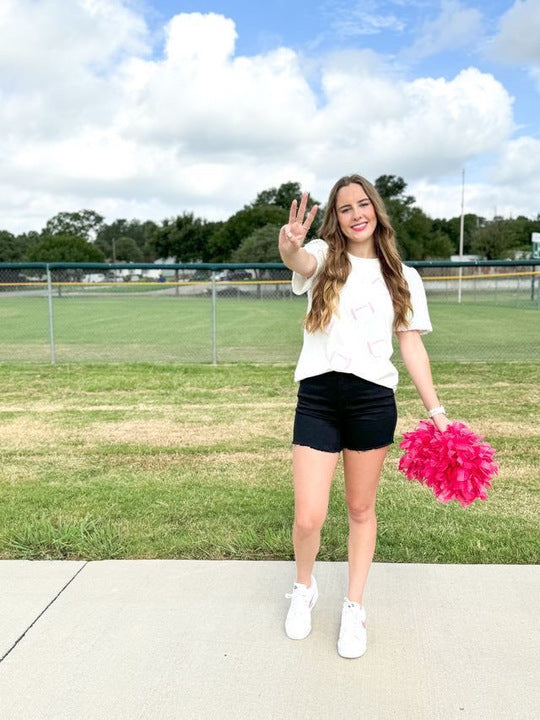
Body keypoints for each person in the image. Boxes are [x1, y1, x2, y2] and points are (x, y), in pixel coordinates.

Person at [278, 174, 449, 659]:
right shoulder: (324, 256)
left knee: (359, 509)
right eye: (346, 207)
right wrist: (288, 246)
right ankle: (305, 587)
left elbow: (410, 344)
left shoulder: (404, 275)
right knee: (309, 516)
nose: (356, 214)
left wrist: (435, 409)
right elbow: (299, 260)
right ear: (336, 216)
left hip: (373, 402)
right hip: (318, 398)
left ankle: (354, 606)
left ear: (376, 209)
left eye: (363, 204)